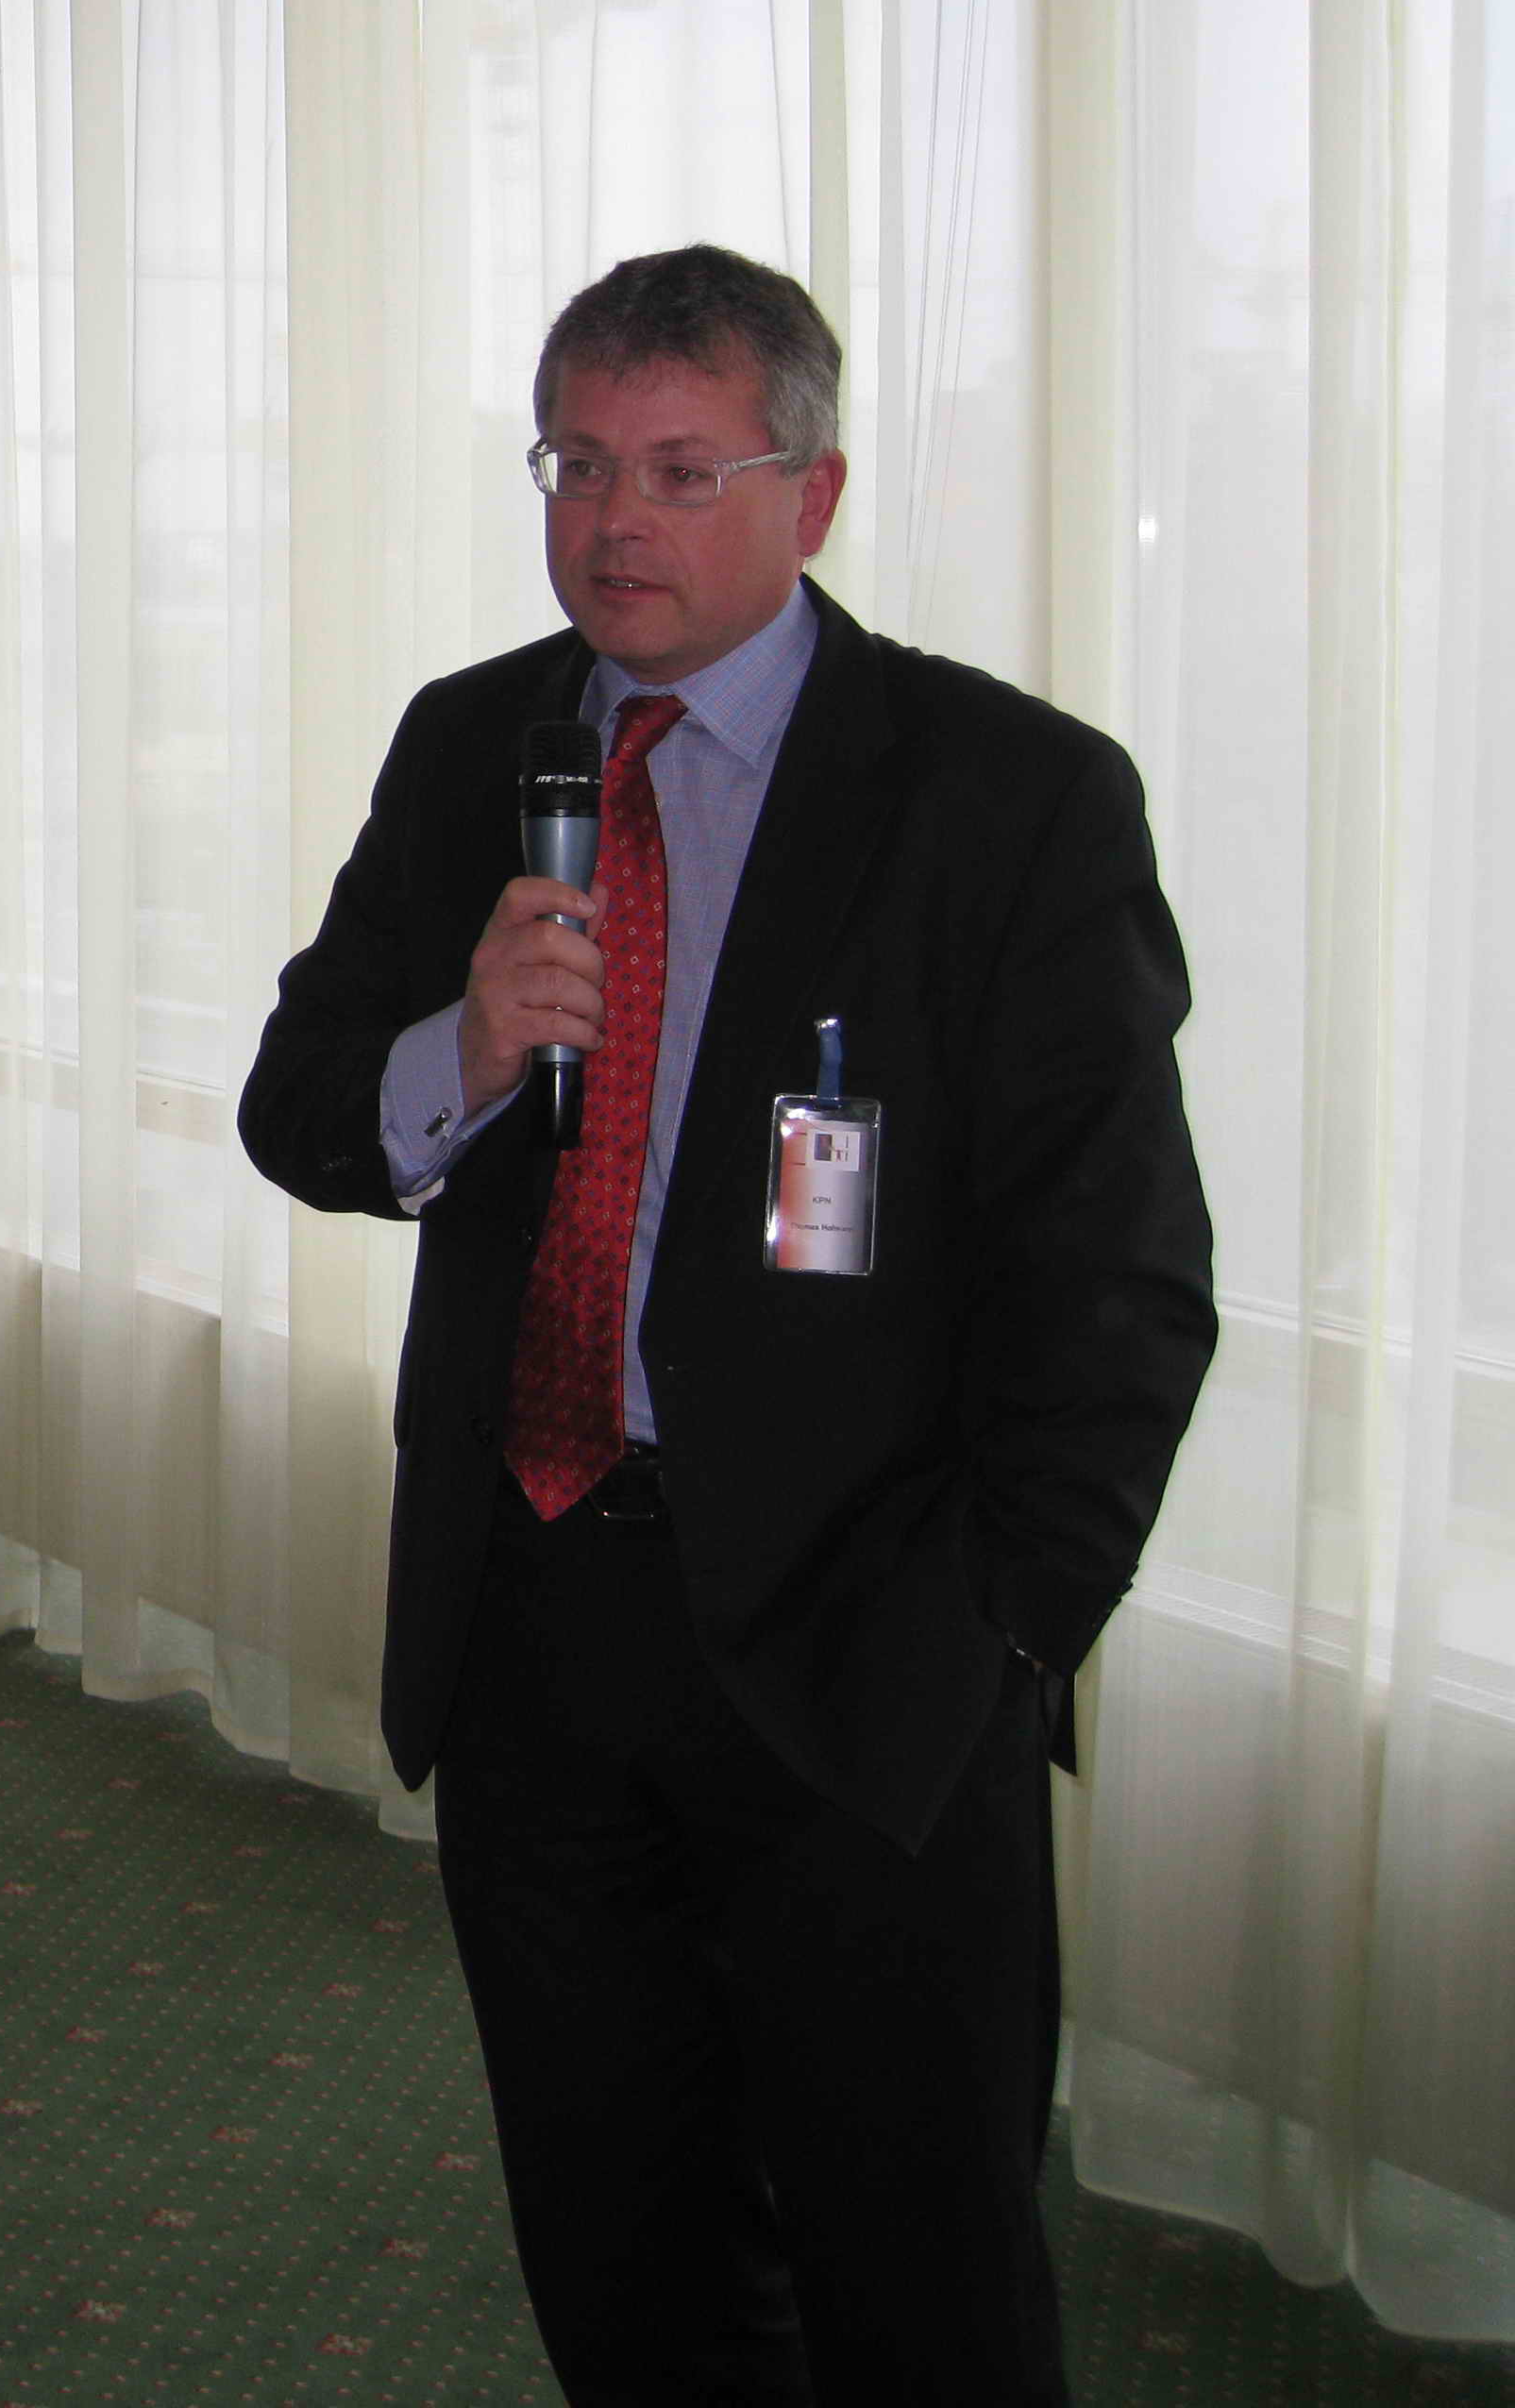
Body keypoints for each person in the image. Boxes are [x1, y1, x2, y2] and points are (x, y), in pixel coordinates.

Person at [239, 244, 1215, 2407]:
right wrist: (462, 1049)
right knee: (621, 2247)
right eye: (575, 463)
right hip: (530, 1613)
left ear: (811, 491)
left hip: (864, 1646)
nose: (614, 521)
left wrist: (994, 1634)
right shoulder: (473, 743)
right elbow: (297, 1111)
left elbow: (1118, 1282)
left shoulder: (1003, 796)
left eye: (680, 469)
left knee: (915, 2273)